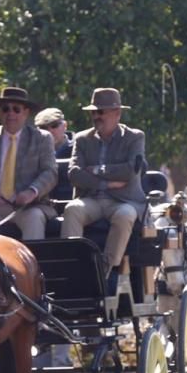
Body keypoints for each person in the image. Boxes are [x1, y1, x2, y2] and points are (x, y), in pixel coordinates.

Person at [62, 88, 148, 274]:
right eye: (93, 112)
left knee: (125, 215)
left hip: (123, 200)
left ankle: (104, 269)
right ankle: (71, 266)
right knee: (72, 210)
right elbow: (74, 174)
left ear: (117, 113)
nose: (96, 116)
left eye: (101, 112)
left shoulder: (135, 137)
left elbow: (130, 171)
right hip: (91, 200)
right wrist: (106, 183)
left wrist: (95, 169)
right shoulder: (82, 139)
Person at [0, 86, 58, 240]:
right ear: (0, 113)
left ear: (26, 112)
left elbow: (50, 172)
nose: (10, 114)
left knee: (35, 218)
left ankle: (35, 263)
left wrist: (31, 192)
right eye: (5, 109)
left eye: (16, 109)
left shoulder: (42, 138)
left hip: (27, 207)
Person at [35, 106, 74, 201]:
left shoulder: (78, 148)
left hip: (70, 202)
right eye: (43, 127)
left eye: (54, 125)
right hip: (42, 203)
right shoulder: (32, 152)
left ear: (65, 125)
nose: (50, 131)